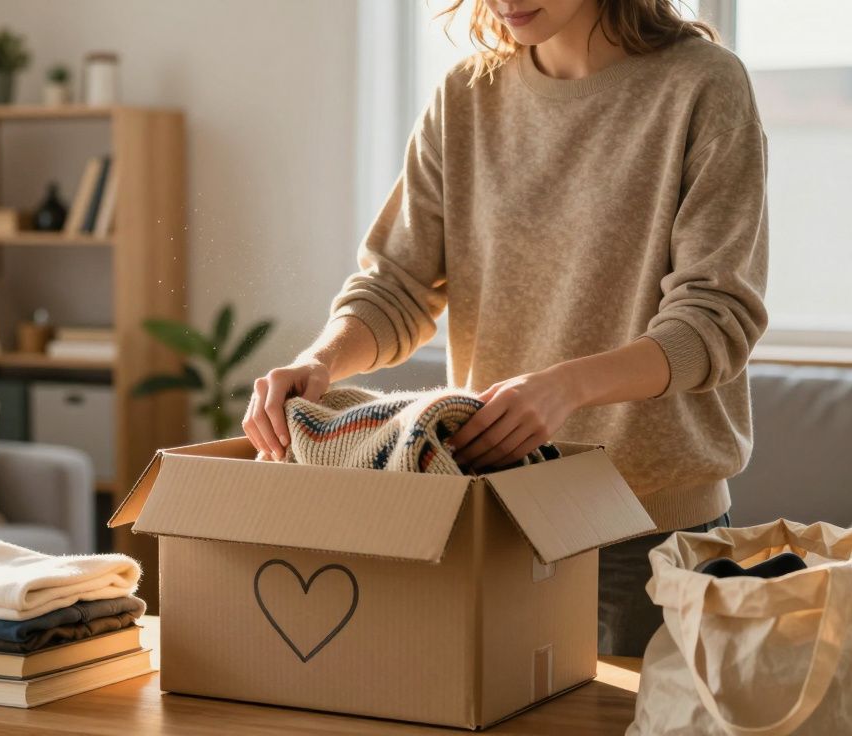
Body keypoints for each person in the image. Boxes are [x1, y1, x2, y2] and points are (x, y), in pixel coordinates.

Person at [242, 0, 768, 657]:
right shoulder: (465, 97)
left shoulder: (703, 84)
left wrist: (564, 389)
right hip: (498, 515)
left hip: (653, 534)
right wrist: (322, 361)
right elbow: (397, 286)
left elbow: (715, 318)